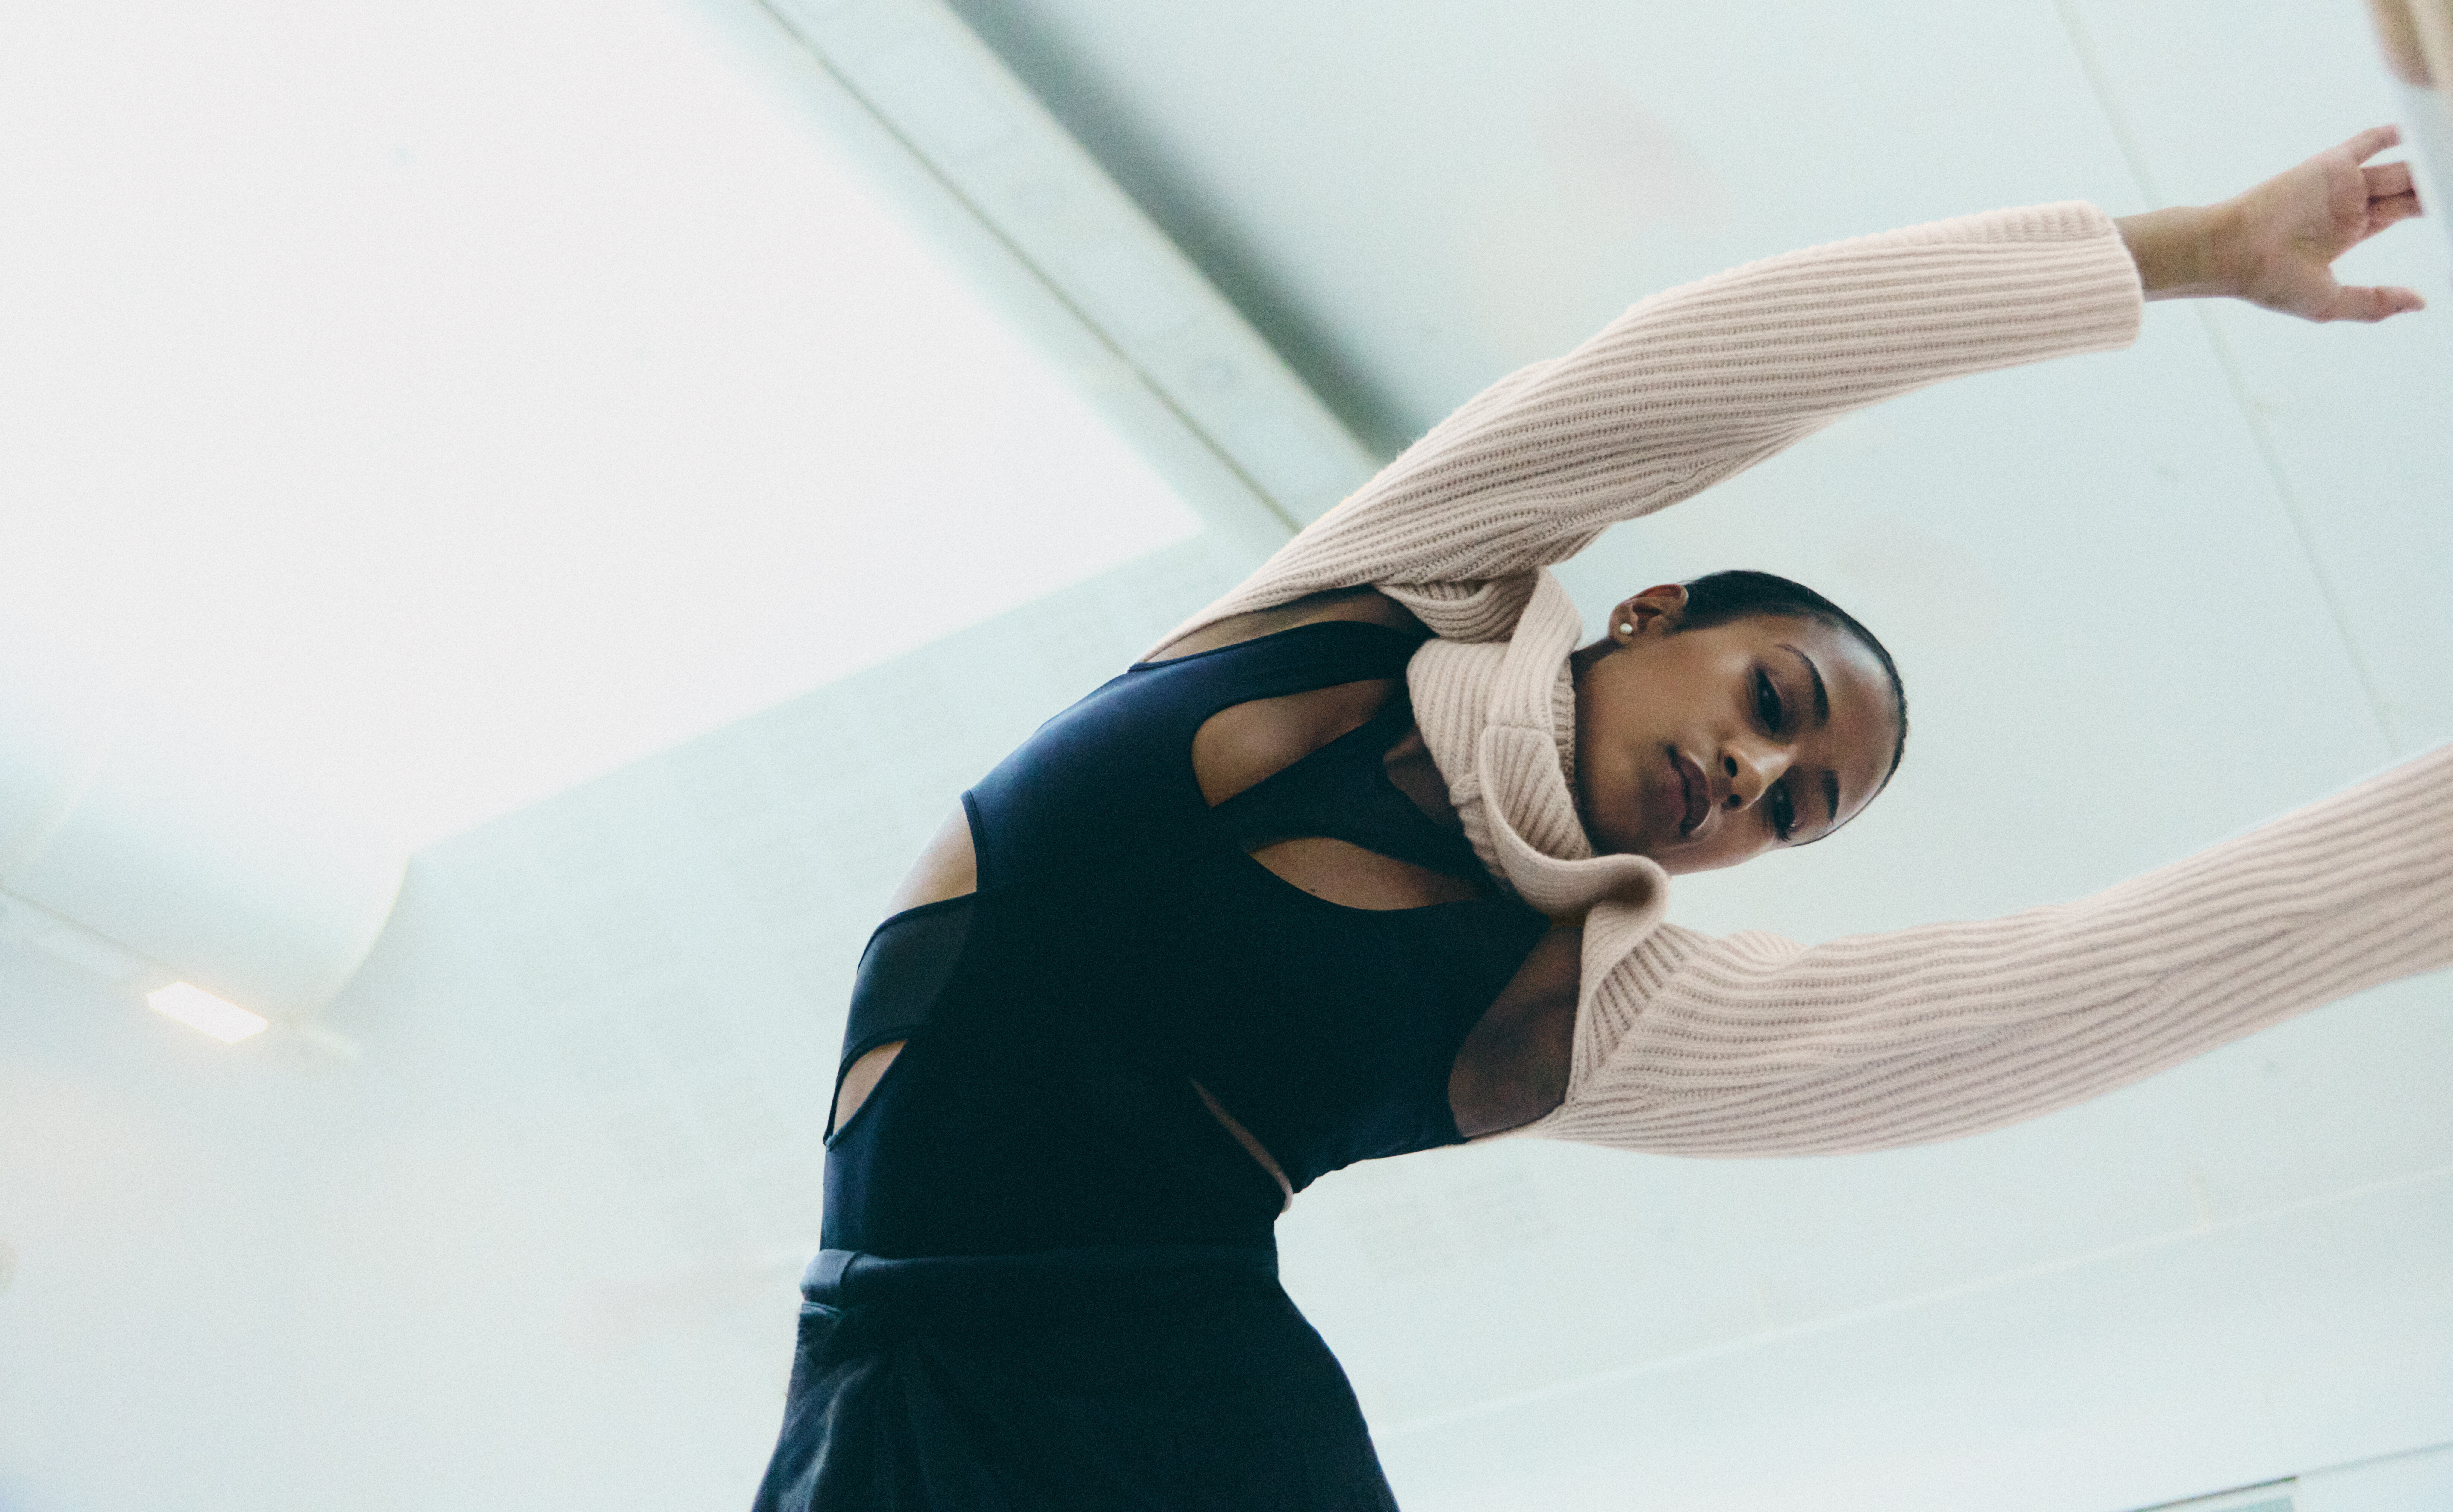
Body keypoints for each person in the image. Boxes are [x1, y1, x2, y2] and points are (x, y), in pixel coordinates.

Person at [751, 128, 2439, 1511]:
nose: (1758, 779)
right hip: (886, 1378)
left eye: (1800, 812)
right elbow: (1704, 365)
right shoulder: (1397, 589)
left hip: (1163, 1406)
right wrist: (2191, 249)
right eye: (1773, 703)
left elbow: (2066, 993)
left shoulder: (1583, 999)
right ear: (1650, 609)